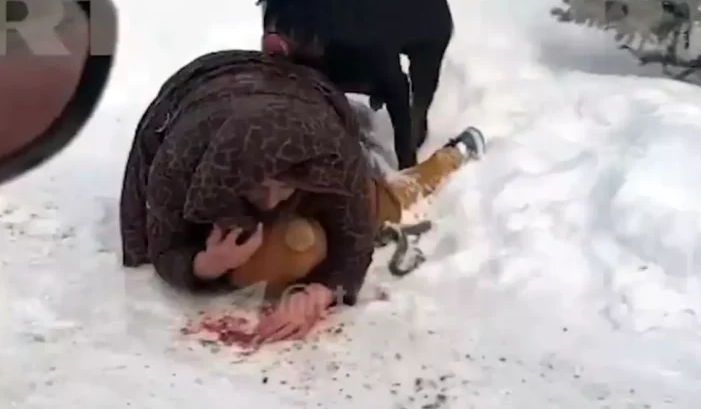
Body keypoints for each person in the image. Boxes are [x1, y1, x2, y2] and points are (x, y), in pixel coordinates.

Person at [119, 49, 485, 344]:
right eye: (261, 186)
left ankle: (449, 157)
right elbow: (163, 244)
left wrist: (322, 292)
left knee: (383, 205)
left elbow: (354, 243)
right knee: (287, 249)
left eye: (284, 186)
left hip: (307, 106)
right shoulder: (183, 160)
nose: (273, 200)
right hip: (206, 105)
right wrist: (206, 263)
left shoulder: (331, 158)